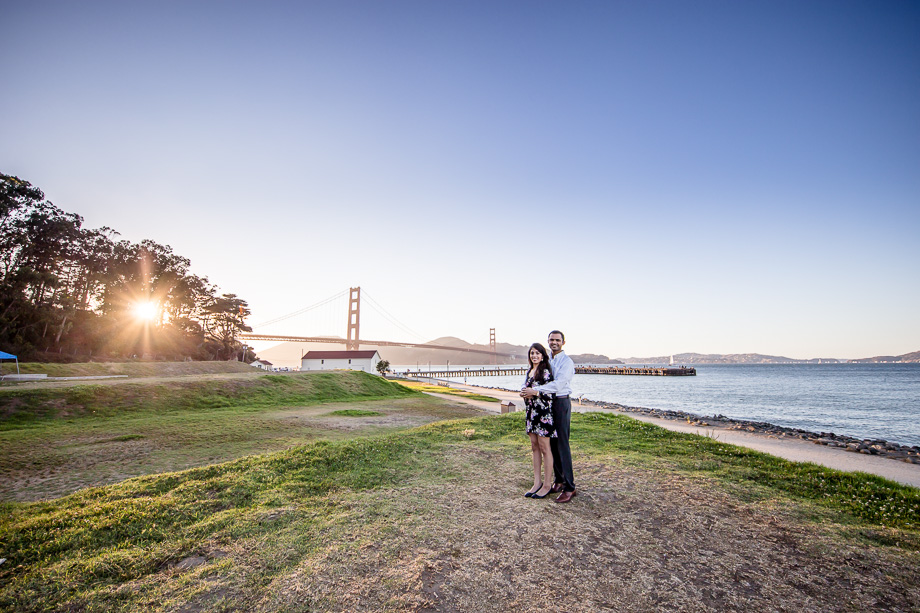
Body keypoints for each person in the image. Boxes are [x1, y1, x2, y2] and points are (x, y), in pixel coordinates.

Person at [520, 330, 576, 503]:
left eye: (557, 340)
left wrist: (536, 392)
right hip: (546, 405)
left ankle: (569, 487)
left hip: (560, 403)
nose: (554, 342)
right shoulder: (548, 360)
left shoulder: (567, 362)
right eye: (551, 340)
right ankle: (558, 480)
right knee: (550, 443)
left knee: (562, 444)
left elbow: (558, 384)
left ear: (563, 343)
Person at [521, 343, 555, 499]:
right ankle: (537, 482)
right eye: (532, 353)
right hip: (531, 414)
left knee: (544, 448)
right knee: (534, 446)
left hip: (543, 414)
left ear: (542, 355)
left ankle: (547, 485)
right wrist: (524, 394)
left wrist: (534, 393)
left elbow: (551, 394)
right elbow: (527, 390)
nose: (534, 356)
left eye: (537, 353)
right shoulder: (529, 371)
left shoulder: (546, 372)